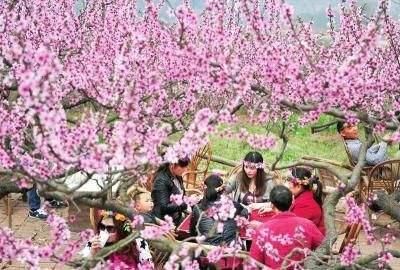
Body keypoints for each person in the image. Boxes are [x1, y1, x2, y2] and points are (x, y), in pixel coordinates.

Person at [250, 185, 324, 269]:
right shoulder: (307, 225)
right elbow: (324, 247)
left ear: (271, 205)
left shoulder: (263, 229)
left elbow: (254, 263)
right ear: (292, 202)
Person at [82, 210, 152, 267]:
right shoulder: (94, 243)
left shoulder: (138, 243)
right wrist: (93, 256)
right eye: (102, 227)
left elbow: (149, 267)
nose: (104, 232)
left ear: (121, 231)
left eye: (110, 229)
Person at [190, 174, 244, 245]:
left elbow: (193, 232)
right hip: (231, 251)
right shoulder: (234, 205)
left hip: (208, 250)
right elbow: (245, 214)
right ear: (223, 190)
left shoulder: (197, 208)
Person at [151, 157, 190, 226]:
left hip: (177, 215)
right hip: (165, 221)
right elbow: (163, 207)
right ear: (172, 164)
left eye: (186, 167)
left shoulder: (177, 176)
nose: (185, 169)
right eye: (183, 166)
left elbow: (180, 193)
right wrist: (185, 203)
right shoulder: (161, 181)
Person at [288, 167, 325, 235]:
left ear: (299, 186)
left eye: (289, 181)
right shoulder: (306, 196)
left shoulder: (305, 205)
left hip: (311, 243)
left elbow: (292, 229)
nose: (288, 185)